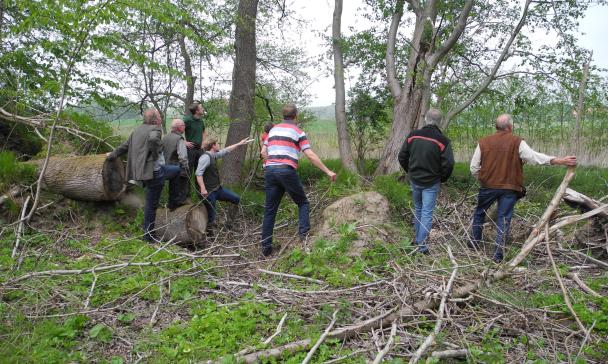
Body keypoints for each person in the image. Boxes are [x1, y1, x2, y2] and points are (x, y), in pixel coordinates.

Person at [470, 113, 577, 263]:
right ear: (510, 127)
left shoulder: (484, 142)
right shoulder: (517, 141)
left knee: (480, 212)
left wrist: (484, 178)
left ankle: (473, 244)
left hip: (488, 186)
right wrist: (558, 160)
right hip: (510, 188)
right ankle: (498, 255)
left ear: (496, 127)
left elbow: (474, 168)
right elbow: (533, 157)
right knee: (504, 219)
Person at [260, 103, 337, 257]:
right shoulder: (298, 131)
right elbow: (309, 154)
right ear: (296, 116)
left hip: (270, 170)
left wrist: (271, 164)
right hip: (286, 171)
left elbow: (263, 151)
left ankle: (266, 248)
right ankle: (304, 237)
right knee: (302, 202)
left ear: (283, 115)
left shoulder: (273, 130)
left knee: (270, 210)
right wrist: (328, 171)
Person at [106, 109, 181, 242]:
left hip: (144, 173)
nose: (160, 117)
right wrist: (155, 153)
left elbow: (125, 146)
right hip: (154, 173)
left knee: (176, 171)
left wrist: (112, 155)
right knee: (151, 205)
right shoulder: (156, 129)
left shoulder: (137, 130)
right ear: (154, 119)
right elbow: (153, 140)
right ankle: (149, 236)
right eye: (159, 115)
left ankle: (173, 202)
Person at [398, 108, 455, 254]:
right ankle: (421, 246)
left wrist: (410, 172)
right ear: (439, 122)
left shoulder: (413, 136)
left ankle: (418, 240)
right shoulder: (443, 141)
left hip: (415, 179)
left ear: (426, 119)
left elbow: (402, 156)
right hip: (431, 182)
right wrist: (442, 178)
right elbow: (448, 164)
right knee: (427, 213)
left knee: (419, 209)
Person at [195, 138, 249, 229]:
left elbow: (226, 150)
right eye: (217, 144)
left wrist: (239, 143)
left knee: (236, 199)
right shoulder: (205, 158)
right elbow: (198, 174)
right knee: (211, 216)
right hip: (208, 192)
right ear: (213, 146)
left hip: (217, 189)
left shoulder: (213, 155)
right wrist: (203, 189)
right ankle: (208, 234)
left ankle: (229, 225)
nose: (219, 145)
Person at [162, 119, 189, 209]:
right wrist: (186, 167)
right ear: (179, 127)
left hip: (166, 166)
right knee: (180, 186)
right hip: (178, 167)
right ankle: (179, 203)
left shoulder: (165, 137)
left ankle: (171, 204)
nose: (184, 127)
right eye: (183, 125)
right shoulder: (179, 139)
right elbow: (182, 156)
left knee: (172, 187)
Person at [184, 102, 207, 173]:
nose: (203, 109)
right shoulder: (187, 120)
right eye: (201, 108)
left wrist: (203, 142)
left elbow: (203, 132)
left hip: (200, 149)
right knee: (189, 171)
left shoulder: (201, 121)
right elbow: (177, 130)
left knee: (200, 171)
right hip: (190, 149)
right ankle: (187, 184)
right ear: (197, 111)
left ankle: (198, 184)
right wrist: (184, 142)